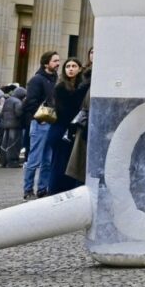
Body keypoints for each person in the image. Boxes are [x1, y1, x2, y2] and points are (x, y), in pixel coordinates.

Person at [21, 51, 60, 200]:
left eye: (58, 61)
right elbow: (30, 102)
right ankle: (28, 189)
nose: (58, 63)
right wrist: (39, 119)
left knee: (48, 160)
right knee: (34, 158)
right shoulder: (37, 80)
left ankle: (42, 189)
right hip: (40, 122)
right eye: (55, 61)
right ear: (46, 63)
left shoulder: (55, 78)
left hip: (51, 121)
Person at [48, 57, 90, 193]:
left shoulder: (80, 86)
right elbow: (67, 110)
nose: (70, 69)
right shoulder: (61, 87)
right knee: (59, 165)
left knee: (69, 165)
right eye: (68, 66)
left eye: (74, 66)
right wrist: (83, 89)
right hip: (61, 130)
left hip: (72, 130)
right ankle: (54, 192)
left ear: (79, 69)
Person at [0, 87, 24, 167]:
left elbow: (2, 113)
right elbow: (19, 113)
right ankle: (12, 161)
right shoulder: (18, 102)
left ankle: (3, 160)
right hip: (15, 125)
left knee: (5, 143)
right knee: (14, 143)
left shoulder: (8, 100)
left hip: (6, 124)